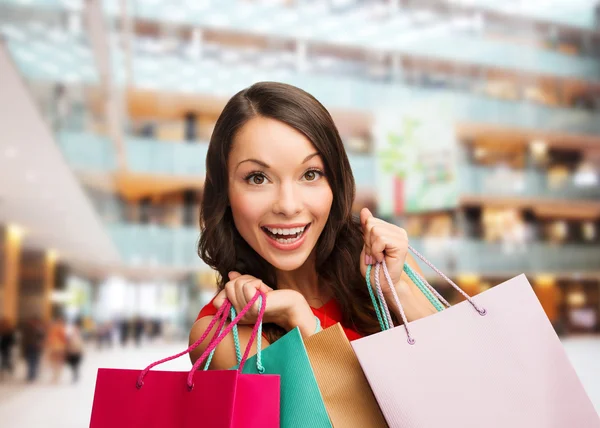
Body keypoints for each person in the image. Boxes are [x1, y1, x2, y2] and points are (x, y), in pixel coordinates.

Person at [189, 82, 437, 369]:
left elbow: (466, 369)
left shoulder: (386, 264)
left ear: (335, 181)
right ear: (225, 193)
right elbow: (357, 413)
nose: (288, 205)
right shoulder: (224, 336)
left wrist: (398, 291)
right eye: (258, 178)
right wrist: (301, 319)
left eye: (310, 174)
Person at [21, 317, 45, 382]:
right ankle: (30, 375)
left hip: (36, 347)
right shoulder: (27, 329)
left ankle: (33, 375)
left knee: (35, 361)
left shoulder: (39, 329)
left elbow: (42, 338)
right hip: (29, 347)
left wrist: (40, 345)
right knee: (30, 361)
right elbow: (24, 339)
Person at [46, 316, 67, 383]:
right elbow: (64, 338)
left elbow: (49, 338)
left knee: (54, 362)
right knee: (58, 362)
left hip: (54, 347)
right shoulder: (61, 328)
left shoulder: (53, 328)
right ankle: (57, 376)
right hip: (59, 347)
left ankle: (55, 376)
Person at [65, 318, 84, 383]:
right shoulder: (70, 334)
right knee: (73, 364)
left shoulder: (79, 334)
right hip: (72, 351)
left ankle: (75, 373)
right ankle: (75, 373)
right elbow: (68, 342)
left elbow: (81, 343)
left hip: (77, 351)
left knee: (76, 364)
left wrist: (82, 351)